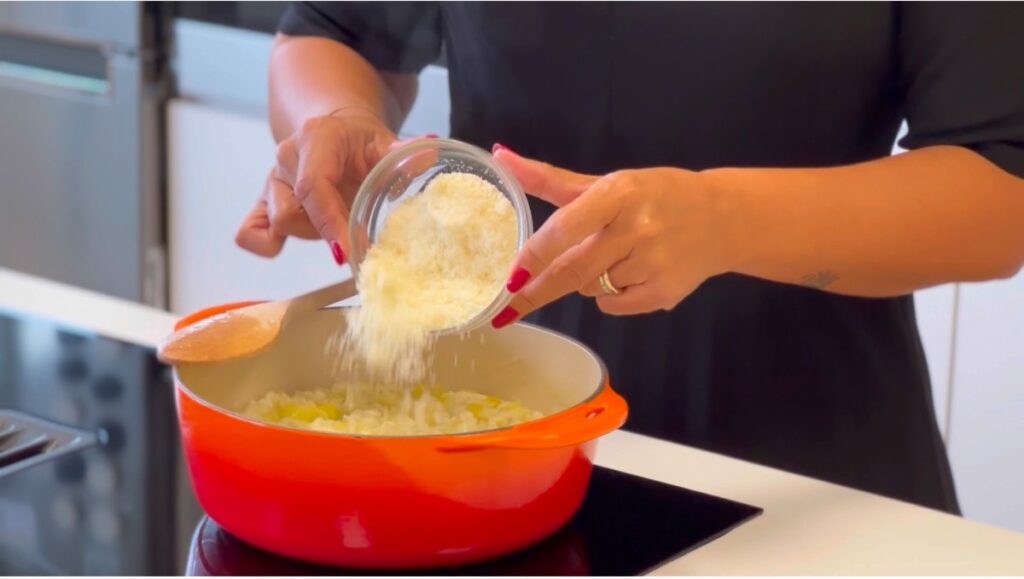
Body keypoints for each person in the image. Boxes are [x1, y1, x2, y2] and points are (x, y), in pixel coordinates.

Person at [235, 3, 1024, 514]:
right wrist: (334, 119)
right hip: (491, 451)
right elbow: (330, 31)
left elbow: (1002, 186)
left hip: (806, 478)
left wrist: (725, 218)